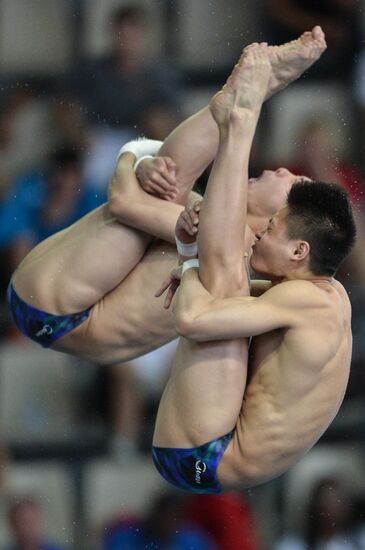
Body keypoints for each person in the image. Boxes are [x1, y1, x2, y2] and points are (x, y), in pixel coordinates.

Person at [8, 28, 327, 365]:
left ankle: (247, 95)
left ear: (284, 219)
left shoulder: (230, 243)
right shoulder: (234, 240)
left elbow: (123, 201)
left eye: (292, 180)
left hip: (53, 309)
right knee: (167, 184)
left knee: (161, 186)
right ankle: (247, 95)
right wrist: (147, 165)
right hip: (62, 304)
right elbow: (154, 183)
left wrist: (134, 155)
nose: (280, 170)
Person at [152, 43, 356, 494]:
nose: (260, 233)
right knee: (228, 279)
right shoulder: (328, 297)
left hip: (201, 456)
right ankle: (235, 123)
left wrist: (189, 262)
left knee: (221, 278)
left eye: (272, 228)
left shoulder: (309, 300)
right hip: (207, 451)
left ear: (300, 251)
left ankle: (239, 125)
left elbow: (190, 318)